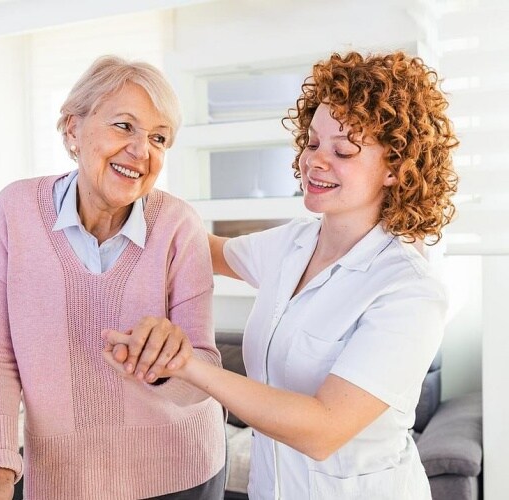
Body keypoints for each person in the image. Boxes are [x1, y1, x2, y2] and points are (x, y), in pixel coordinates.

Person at [103, 51, 459, 499]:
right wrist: (133, 183)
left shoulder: (410, 290)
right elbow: (202, 248)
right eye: (312, 143)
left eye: (343, 150)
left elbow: (323, 429)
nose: (316, 161)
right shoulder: (293, 245)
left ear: (395, 168)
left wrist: (185, 364)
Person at [0, 55, 226, 500]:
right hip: (65, 481)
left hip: (182, 472)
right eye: (124, 126)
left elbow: (207, 370)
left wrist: (168, 363)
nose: (142, 151)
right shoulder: (15, 211)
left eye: (159, 138)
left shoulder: (179, 224)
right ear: (72, 129)